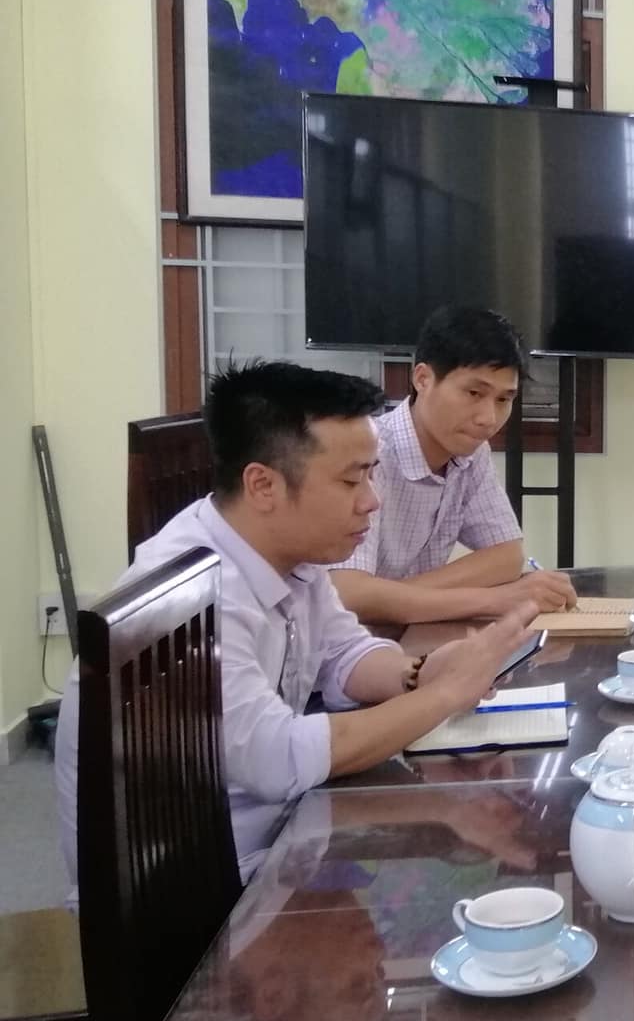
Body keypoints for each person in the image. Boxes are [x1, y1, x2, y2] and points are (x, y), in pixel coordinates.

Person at [55, 360, 538, 893]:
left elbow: (343, 652)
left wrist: (418, 672)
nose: (371, 501)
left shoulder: (289, 552)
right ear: (263, 485)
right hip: (204, 894)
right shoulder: (193, 599)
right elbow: (281, 757)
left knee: (463, 855)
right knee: (461, 884)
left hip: (280, 836)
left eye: (372, 474)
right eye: (351, 479)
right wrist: (443, 694)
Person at [329, 305, 576, 624]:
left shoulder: (472, 452)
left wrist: (393, 599)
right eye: (474, 393)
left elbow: (506, 556)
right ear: (422, 379)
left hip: (412, 633)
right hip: (349, 646)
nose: (488, 419)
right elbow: (349, 594)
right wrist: (496, 599)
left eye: (504, 399)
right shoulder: (370, 452)